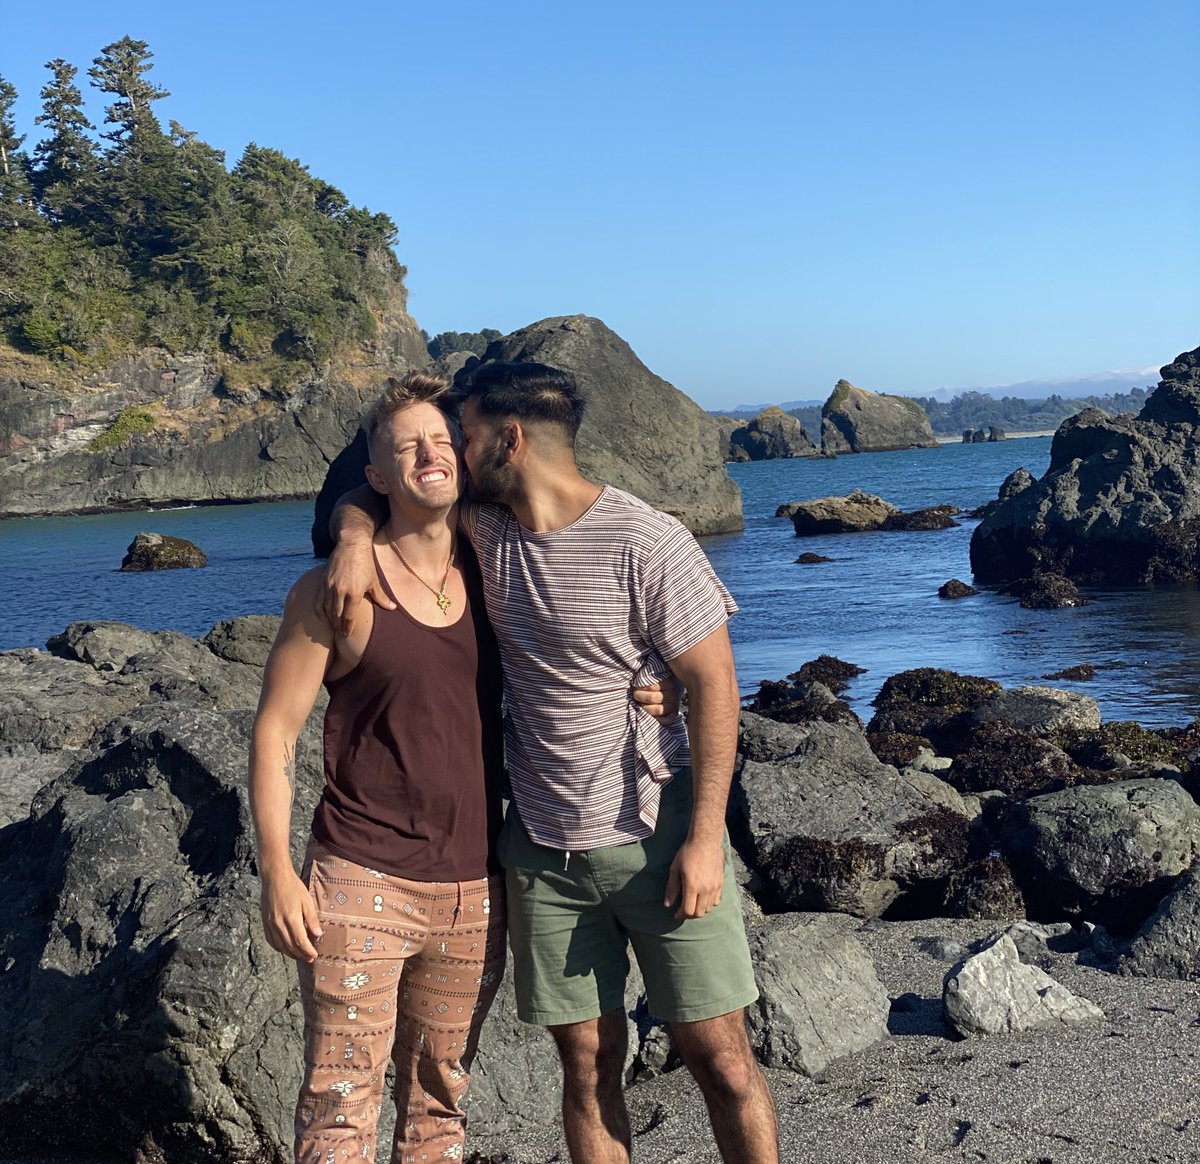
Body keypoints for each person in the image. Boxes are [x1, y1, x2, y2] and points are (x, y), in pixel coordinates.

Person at [324, 361, 780, 1163]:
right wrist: (355, 539)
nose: (453, 454)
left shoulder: (647, 539)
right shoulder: (485, 525)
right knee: (587, 1068)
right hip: (540, 853)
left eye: (463, 436)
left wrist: (707, 838)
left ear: (510, 439)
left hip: (661, 839)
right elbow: (369, 488)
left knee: (726, 1064)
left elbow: (715, 689)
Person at [248, 371, 508, 1164]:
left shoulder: (498, 572)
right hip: (362, 881)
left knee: (440, 1104)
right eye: (407, 447)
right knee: (339, 1103)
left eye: (440, 441)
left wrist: (653, 686)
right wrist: (276, 874)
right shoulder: (334, 594)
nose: (429, 455)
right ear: (378, 474)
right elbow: (274, 735)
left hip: (475, 888)